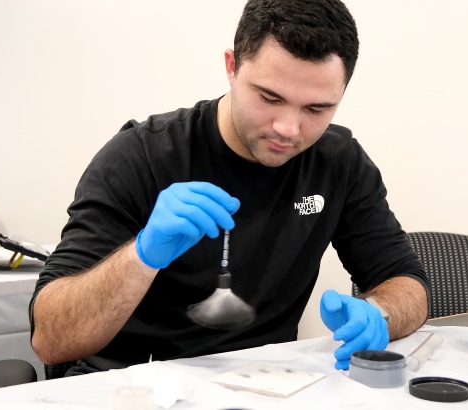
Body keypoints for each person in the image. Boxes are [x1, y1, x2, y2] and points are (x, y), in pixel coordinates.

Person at [30, 0, 429, 375]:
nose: (288, 129)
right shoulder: (142, 156)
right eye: (269, 97)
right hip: (134, 385)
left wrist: (381, 312)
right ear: (233, 67)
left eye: (316, 109)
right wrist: (141, 257)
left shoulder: (339, 163)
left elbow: (407, 282)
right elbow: (51, 340)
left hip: (264, 385)